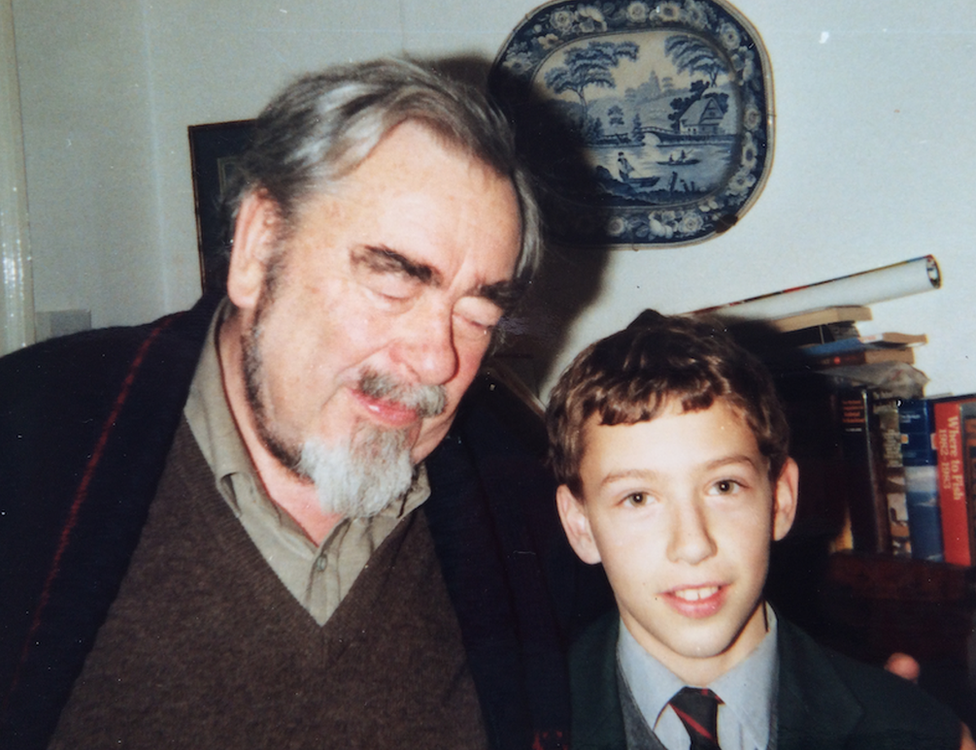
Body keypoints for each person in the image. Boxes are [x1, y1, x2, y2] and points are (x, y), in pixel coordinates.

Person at [0, 58, 582, 750]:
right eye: (394, 283)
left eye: (477, 316)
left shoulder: (524, 501)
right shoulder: (29, 436)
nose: (438, 359)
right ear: (257, 248)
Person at [545, 311, 972, 749]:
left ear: (781, 500)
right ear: (580, 525)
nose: (692, 546)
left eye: (723, 486)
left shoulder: (917, 734)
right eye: (637, 498)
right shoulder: (513, 723)